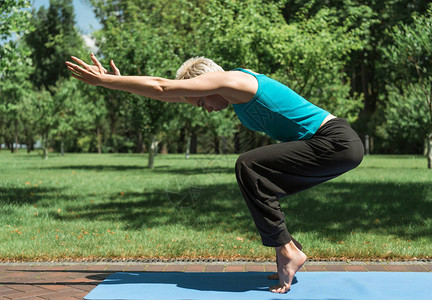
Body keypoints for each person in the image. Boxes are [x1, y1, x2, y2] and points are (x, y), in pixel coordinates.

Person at [66, 53, 364, 294]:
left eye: (200, 102)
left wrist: (104, 81)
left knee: (249, 166)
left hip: (334, 142)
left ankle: (286, 248)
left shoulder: (235, 80)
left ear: (207, 83)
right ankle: (287, 248)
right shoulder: (232, 94)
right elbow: (163, 93)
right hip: (333, 147)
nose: (205, 109)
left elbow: (163, 86)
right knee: (259, 182)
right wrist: (121, 83)